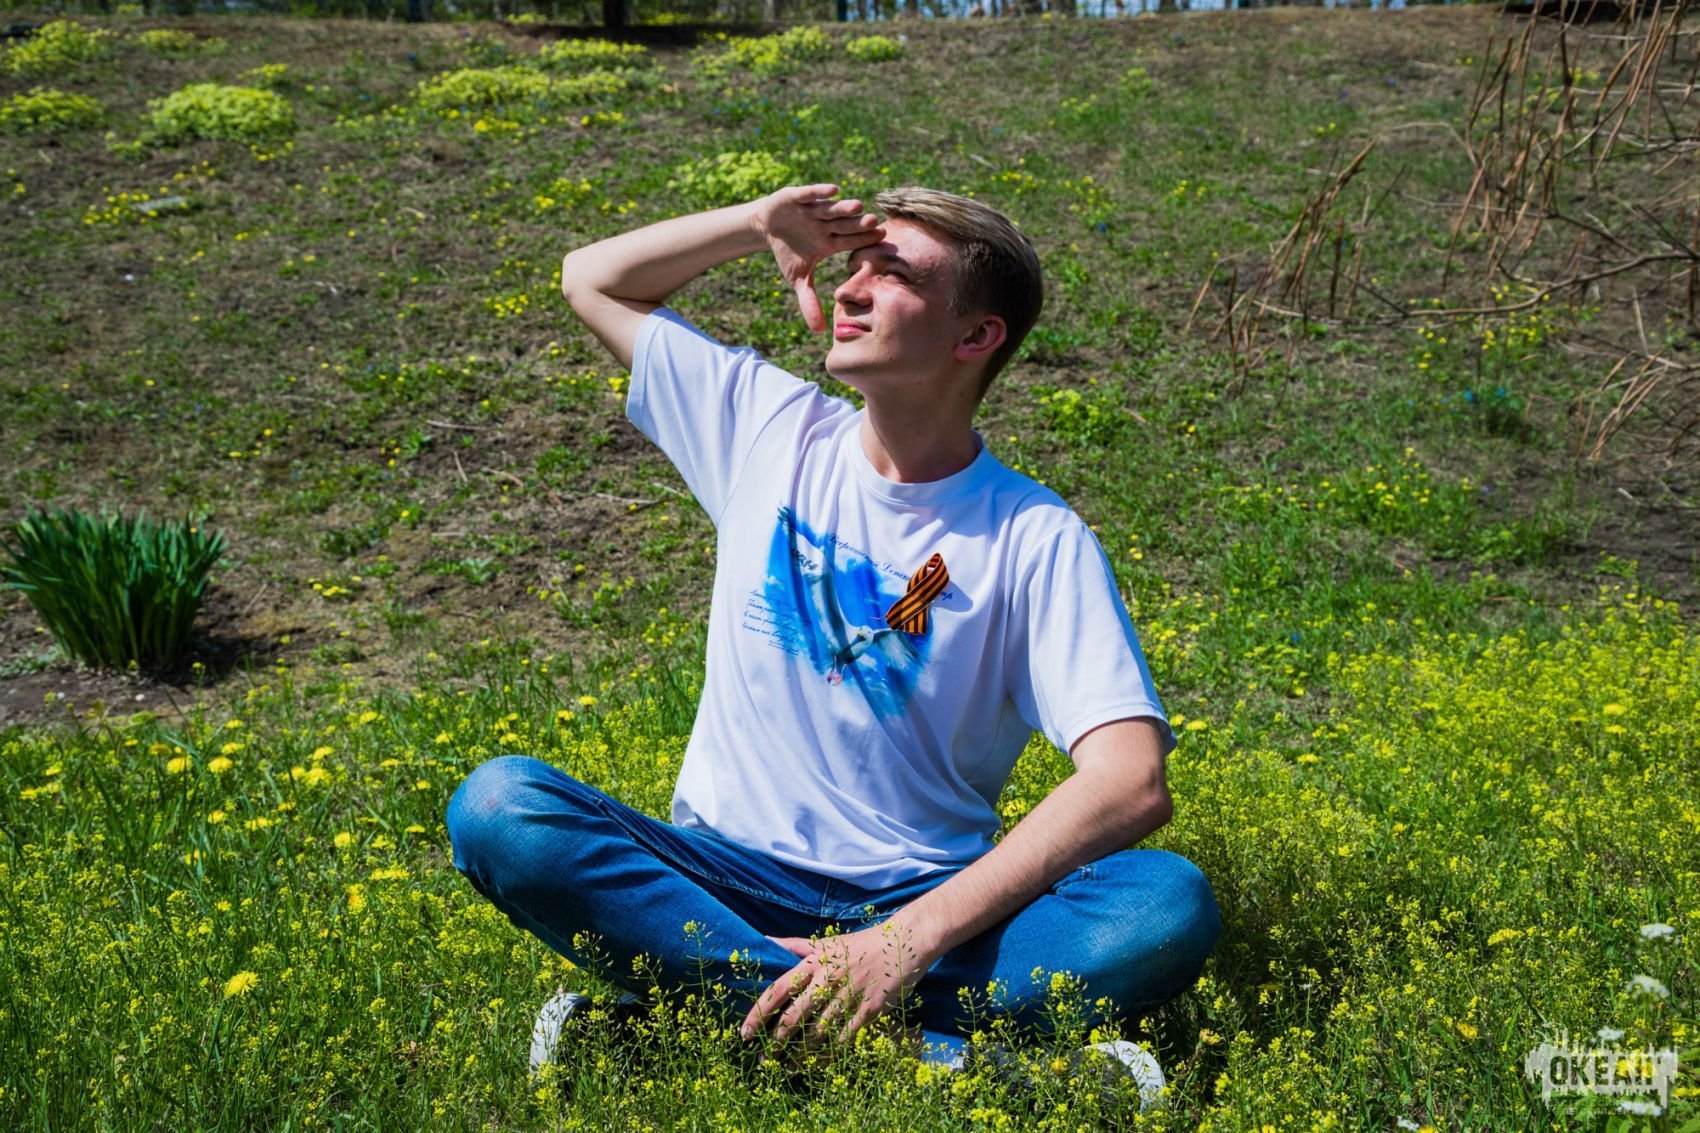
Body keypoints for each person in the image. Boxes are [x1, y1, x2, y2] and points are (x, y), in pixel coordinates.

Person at [446, 184, 1221, 1105]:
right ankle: (935, 1061)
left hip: (926, 902)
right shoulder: (767, 427)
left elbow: (1130, 778)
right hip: (723, 880)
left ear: (977, 335)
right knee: (500, 807)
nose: (850, 289)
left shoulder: (1033, 535)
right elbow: (592, 279)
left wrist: (902, 940)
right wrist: (756, 226)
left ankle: (691, 1019)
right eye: (853, 267)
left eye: (892, 274)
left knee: (1163, 902)